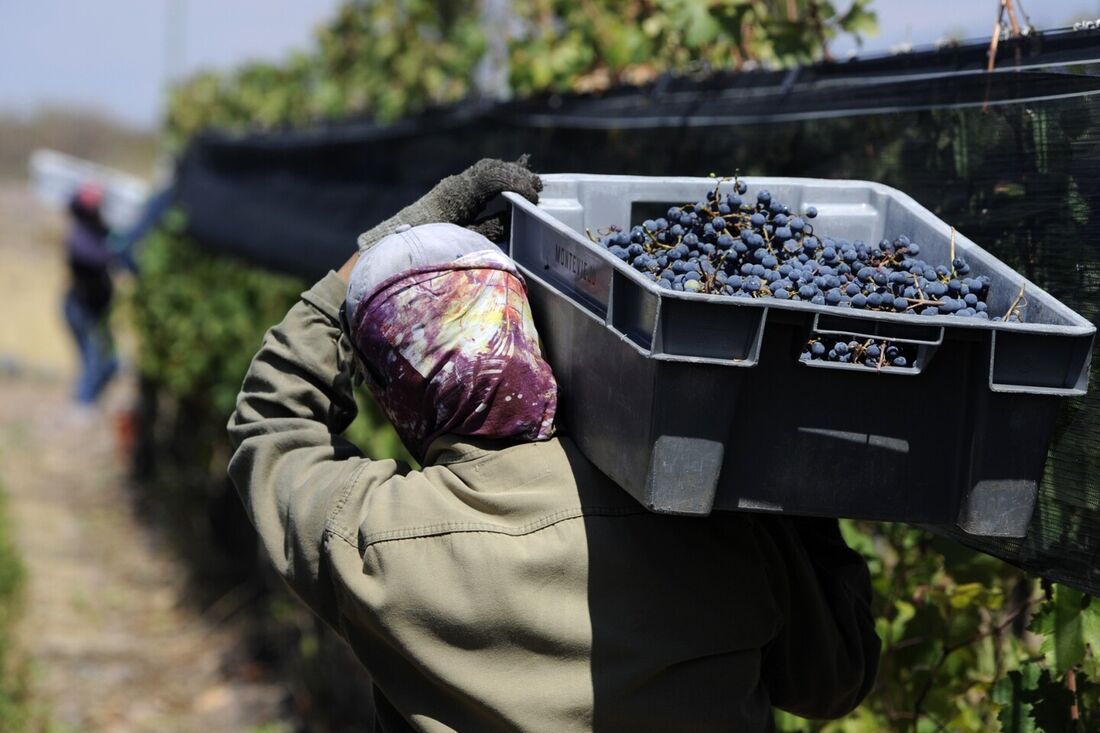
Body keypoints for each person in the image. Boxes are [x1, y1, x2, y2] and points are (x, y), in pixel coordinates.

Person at [228, 158, 880, 731]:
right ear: (528, 331)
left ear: (396, 396)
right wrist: (788, 484)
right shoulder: (694, 504)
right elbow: (834, 677)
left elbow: (270, 421)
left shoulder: (373, 539)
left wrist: (369, 256)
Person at [63, 182, 119, 405]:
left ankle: (86, 404)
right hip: (83, 309)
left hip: (94, 309)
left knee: (105, 361)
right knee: (96, 361)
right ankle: (82, 407)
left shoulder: (97, 232)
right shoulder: (80, 238)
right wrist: (118, 249)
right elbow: (100, 257)